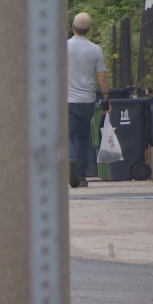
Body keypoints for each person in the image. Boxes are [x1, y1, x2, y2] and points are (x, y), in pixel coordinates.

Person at [67, 12, 111, 188]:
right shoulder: (96, 50)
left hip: (67, 100)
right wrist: (106, 99)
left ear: (73, 27)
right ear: (89, 29)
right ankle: (81, 176)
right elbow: (102, 77)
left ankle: (71, 158)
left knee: (68, 134)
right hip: (87, 101)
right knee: (84, 136)